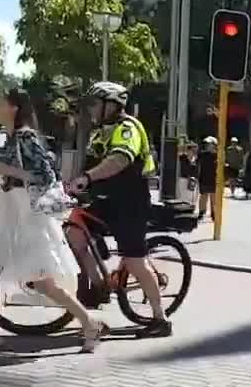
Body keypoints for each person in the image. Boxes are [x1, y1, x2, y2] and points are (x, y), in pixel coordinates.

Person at [0, 88, 104, 354]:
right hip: (12, 217)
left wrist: (4, 169)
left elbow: (45, 176)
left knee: (44, 283)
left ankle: (89, 322)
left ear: (14, 108)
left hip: (29, 219)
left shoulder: (26, 137)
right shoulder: (13, 138)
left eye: (1, 103)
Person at [65, 81, 172, 338]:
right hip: (107, 200)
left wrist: (88, 178)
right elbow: (91, 164)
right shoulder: (101, 131)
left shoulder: (128, 129)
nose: (91, 109)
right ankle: (98, 286)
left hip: (131, 203)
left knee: (134, 261)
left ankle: (161, 320)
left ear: (111, 104)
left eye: (95, 104)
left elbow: (119, 160)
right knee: (74, 230)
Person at [196, 136, 218, 219]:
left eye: (209, 144)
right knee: (203, 195)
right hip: (203, 177)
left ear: (214, 145)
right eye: (206, 144)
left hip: (214, 178)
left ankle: (214, 213)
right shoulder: (202, 154)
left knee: (214, 196)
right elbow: (197, 165)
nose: (207, 146)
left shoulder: (217, 155)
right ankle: (201, 212)